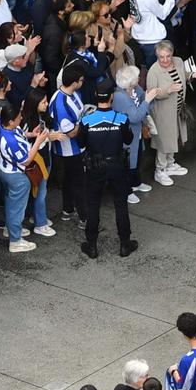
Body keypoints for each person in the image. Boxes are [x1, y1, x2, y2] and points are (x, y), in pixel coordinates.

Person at [75, 81, 136, 260]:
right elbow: (129, 139)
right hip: (117, 165)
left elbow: (81, 143)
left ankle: (92, 246)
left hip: (95, 166)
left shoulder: (86, 121)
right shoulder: (121, 118)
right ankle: (125, 244)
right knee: (120, 204)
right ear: (111, 97)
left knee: (93, 205)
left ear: (96, 96)